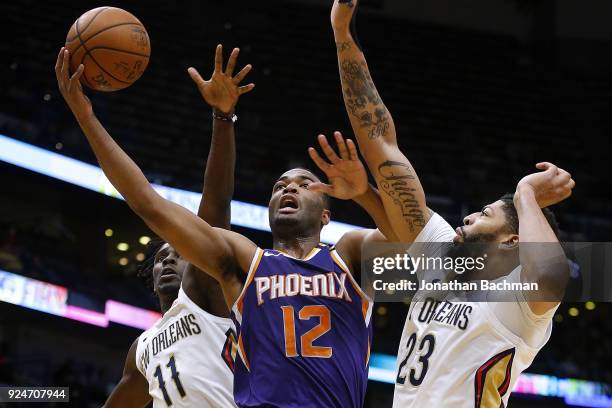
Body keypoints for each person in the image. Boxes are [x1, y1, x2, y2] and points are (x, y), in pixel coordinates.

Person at [55, 42, 392, 406]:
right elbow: (149, 204)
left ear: (327, 214)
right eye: (279, 186)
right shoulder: (245, 264)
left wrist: (364, 194)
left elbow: (427, 256)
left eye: (304, 183)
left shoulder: (351, 256)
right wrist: (86, 117)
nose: (289, 188)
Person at [329, 0, 576, 406]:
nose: (468, 216)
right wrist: (342, 34)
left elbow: (552, 277)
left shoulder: (518, 298)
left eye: (485, 214)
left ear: (514, 241)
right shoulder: (442, 254)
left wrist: (525, 193)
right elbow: (382, 146)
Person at [100, 44, 253, 407]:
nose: (167, 261)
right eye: (159, 259)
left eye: (178, 254)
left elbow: (216, 201)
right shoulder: (142, 347)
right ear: (151, 277)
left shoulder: (208, 296)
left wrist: (222, 117)